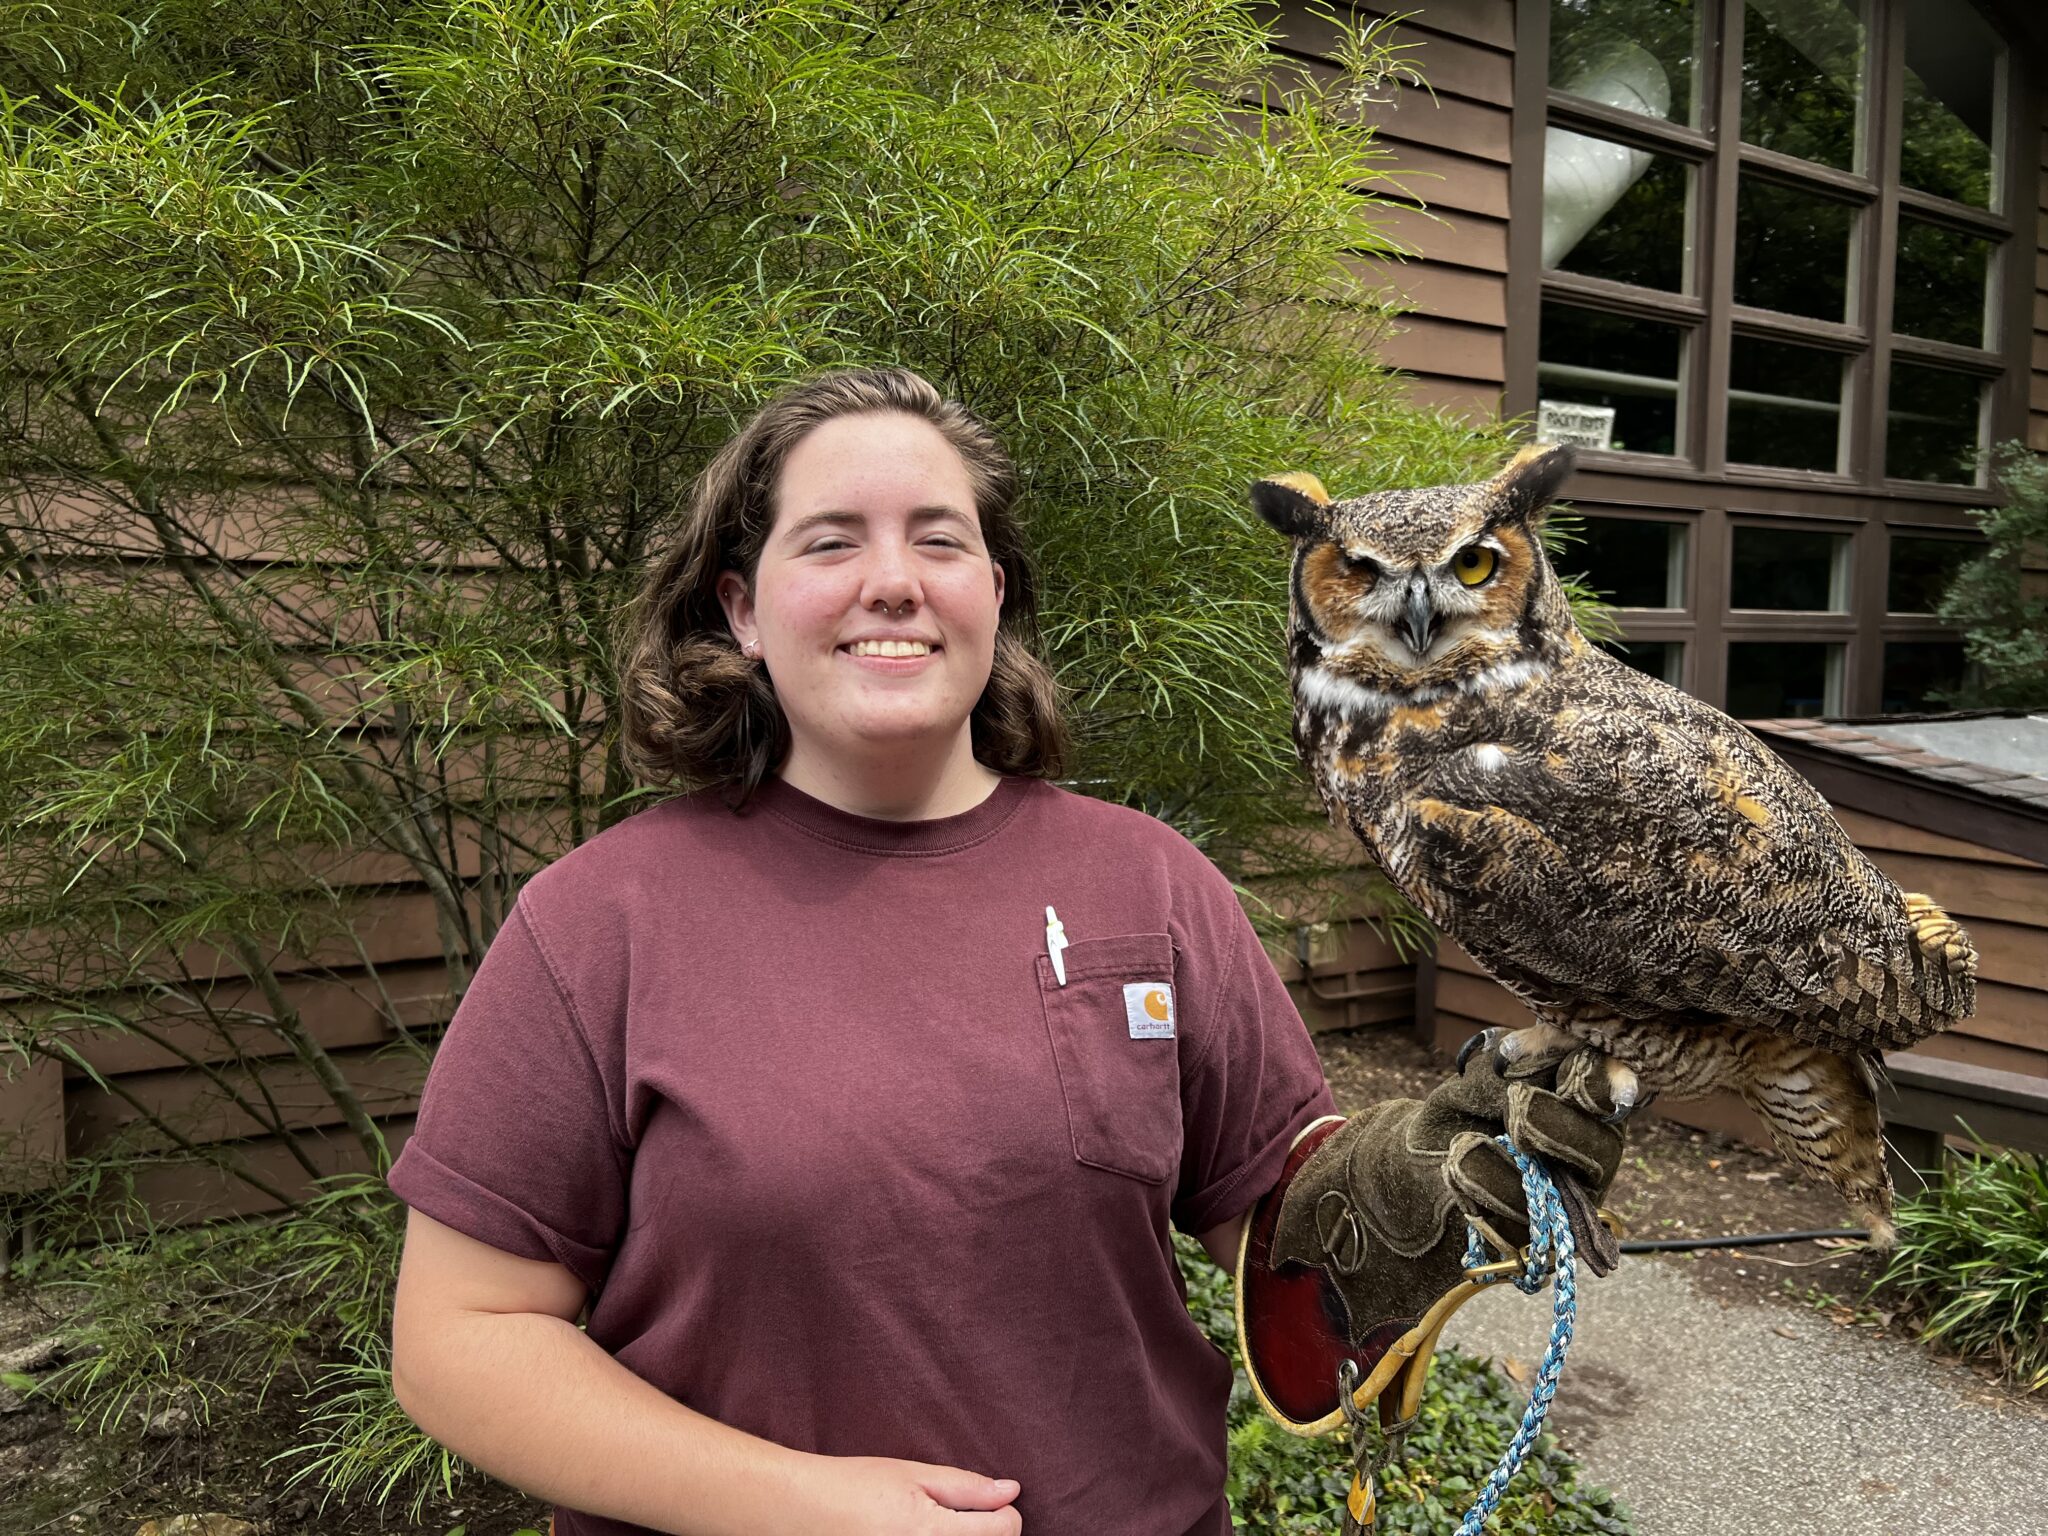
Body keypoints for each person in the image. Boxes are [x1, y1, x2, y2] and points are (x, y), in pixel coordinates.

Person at [385, 366, 1627, 1536]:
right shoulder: (599, 920)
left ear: (992, 596)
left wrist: (1416, 1204)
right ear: (741, 610)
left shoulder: (1150, 884)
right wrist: (805, 1508)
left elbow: (1283, 1238)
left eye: (939, 540)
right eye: (829, 541)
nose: (894, 581)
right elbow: (462, 1340)